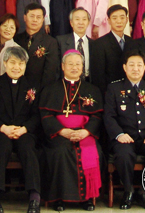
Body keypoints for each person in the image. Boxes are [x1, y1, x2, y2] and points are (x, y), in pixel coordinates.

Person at [39, 50, 103, 211]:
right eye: (71, 64)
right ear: (63, 66)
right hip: (59, 134)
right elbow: (46, 115)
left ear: (83, 67)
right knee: (60, 151)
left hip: (84, 133)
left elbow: (97, 116)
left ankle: (87, 198)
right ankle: (59, 198)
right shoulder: (51, 89)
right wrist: (61, 131)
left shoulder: (92, 89)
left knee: (94, 151)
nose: (75, 67)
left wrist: (86, 132)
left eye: (78, 64)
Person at [104, 49, 145, 210]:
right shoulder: (114, 88)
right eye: (131, 65)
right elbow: (109, 116)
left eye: (139, 65)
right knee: (124, 155)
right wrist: (119, 134)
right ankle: (128, 190)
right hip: (125, 137)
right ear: (125, 67)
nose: (135, 68)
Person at [0, 46, 41, 213]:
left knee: (28, 148)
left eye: (21, 63)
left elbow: (37, 115)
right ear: (5, 63)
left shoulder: (33, 87)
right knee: (1, 147)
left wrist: (24, 129)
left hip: (24, 131)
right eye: (13, 63)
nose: (17, 67)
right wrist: (3, 128)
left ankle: (34, 197)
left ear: (25, 65)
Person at [14, 3, 60, 89]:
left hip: (39, 90)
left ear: (43, 19)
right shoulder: (16, 39)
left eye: (38, 17)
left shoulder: (50, 42)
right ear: (24, 17)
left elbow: (50, 73)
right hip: (16, 88)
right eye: (31, 16)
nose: (35, 20)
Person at [92, 5, 134, 93]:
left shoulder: (132, 42)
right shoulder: (100, 43)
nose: (119, 21)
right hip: (109, 92)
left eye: (122, 18)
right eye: (114, 18)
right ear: (109, 21)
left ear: (126, 20)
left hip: (130, 91)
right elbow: (98, 76)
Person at [56, 8, 97, 82]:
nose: (80, 23)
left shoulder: (94, 44)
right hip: (66, 83)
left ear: (88, 22)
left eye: (84, 19)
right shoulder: (60, 41)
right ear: (71, 23)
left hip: (88, 83)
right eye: (77, 19)